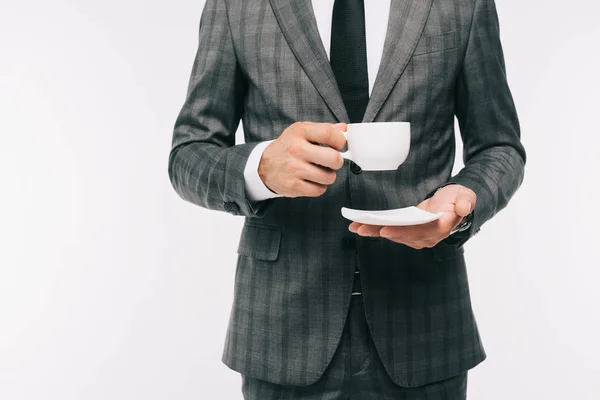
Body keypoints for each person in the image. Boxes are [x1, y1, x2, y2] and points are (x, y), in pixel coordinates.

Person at [168, 0, 526, 398]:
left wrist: (465, 201)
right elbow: (188, 154)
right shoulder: (237, 5)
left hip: (425, 326)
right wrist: (261, 168)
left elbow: (500, 146)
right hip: (281, 333)